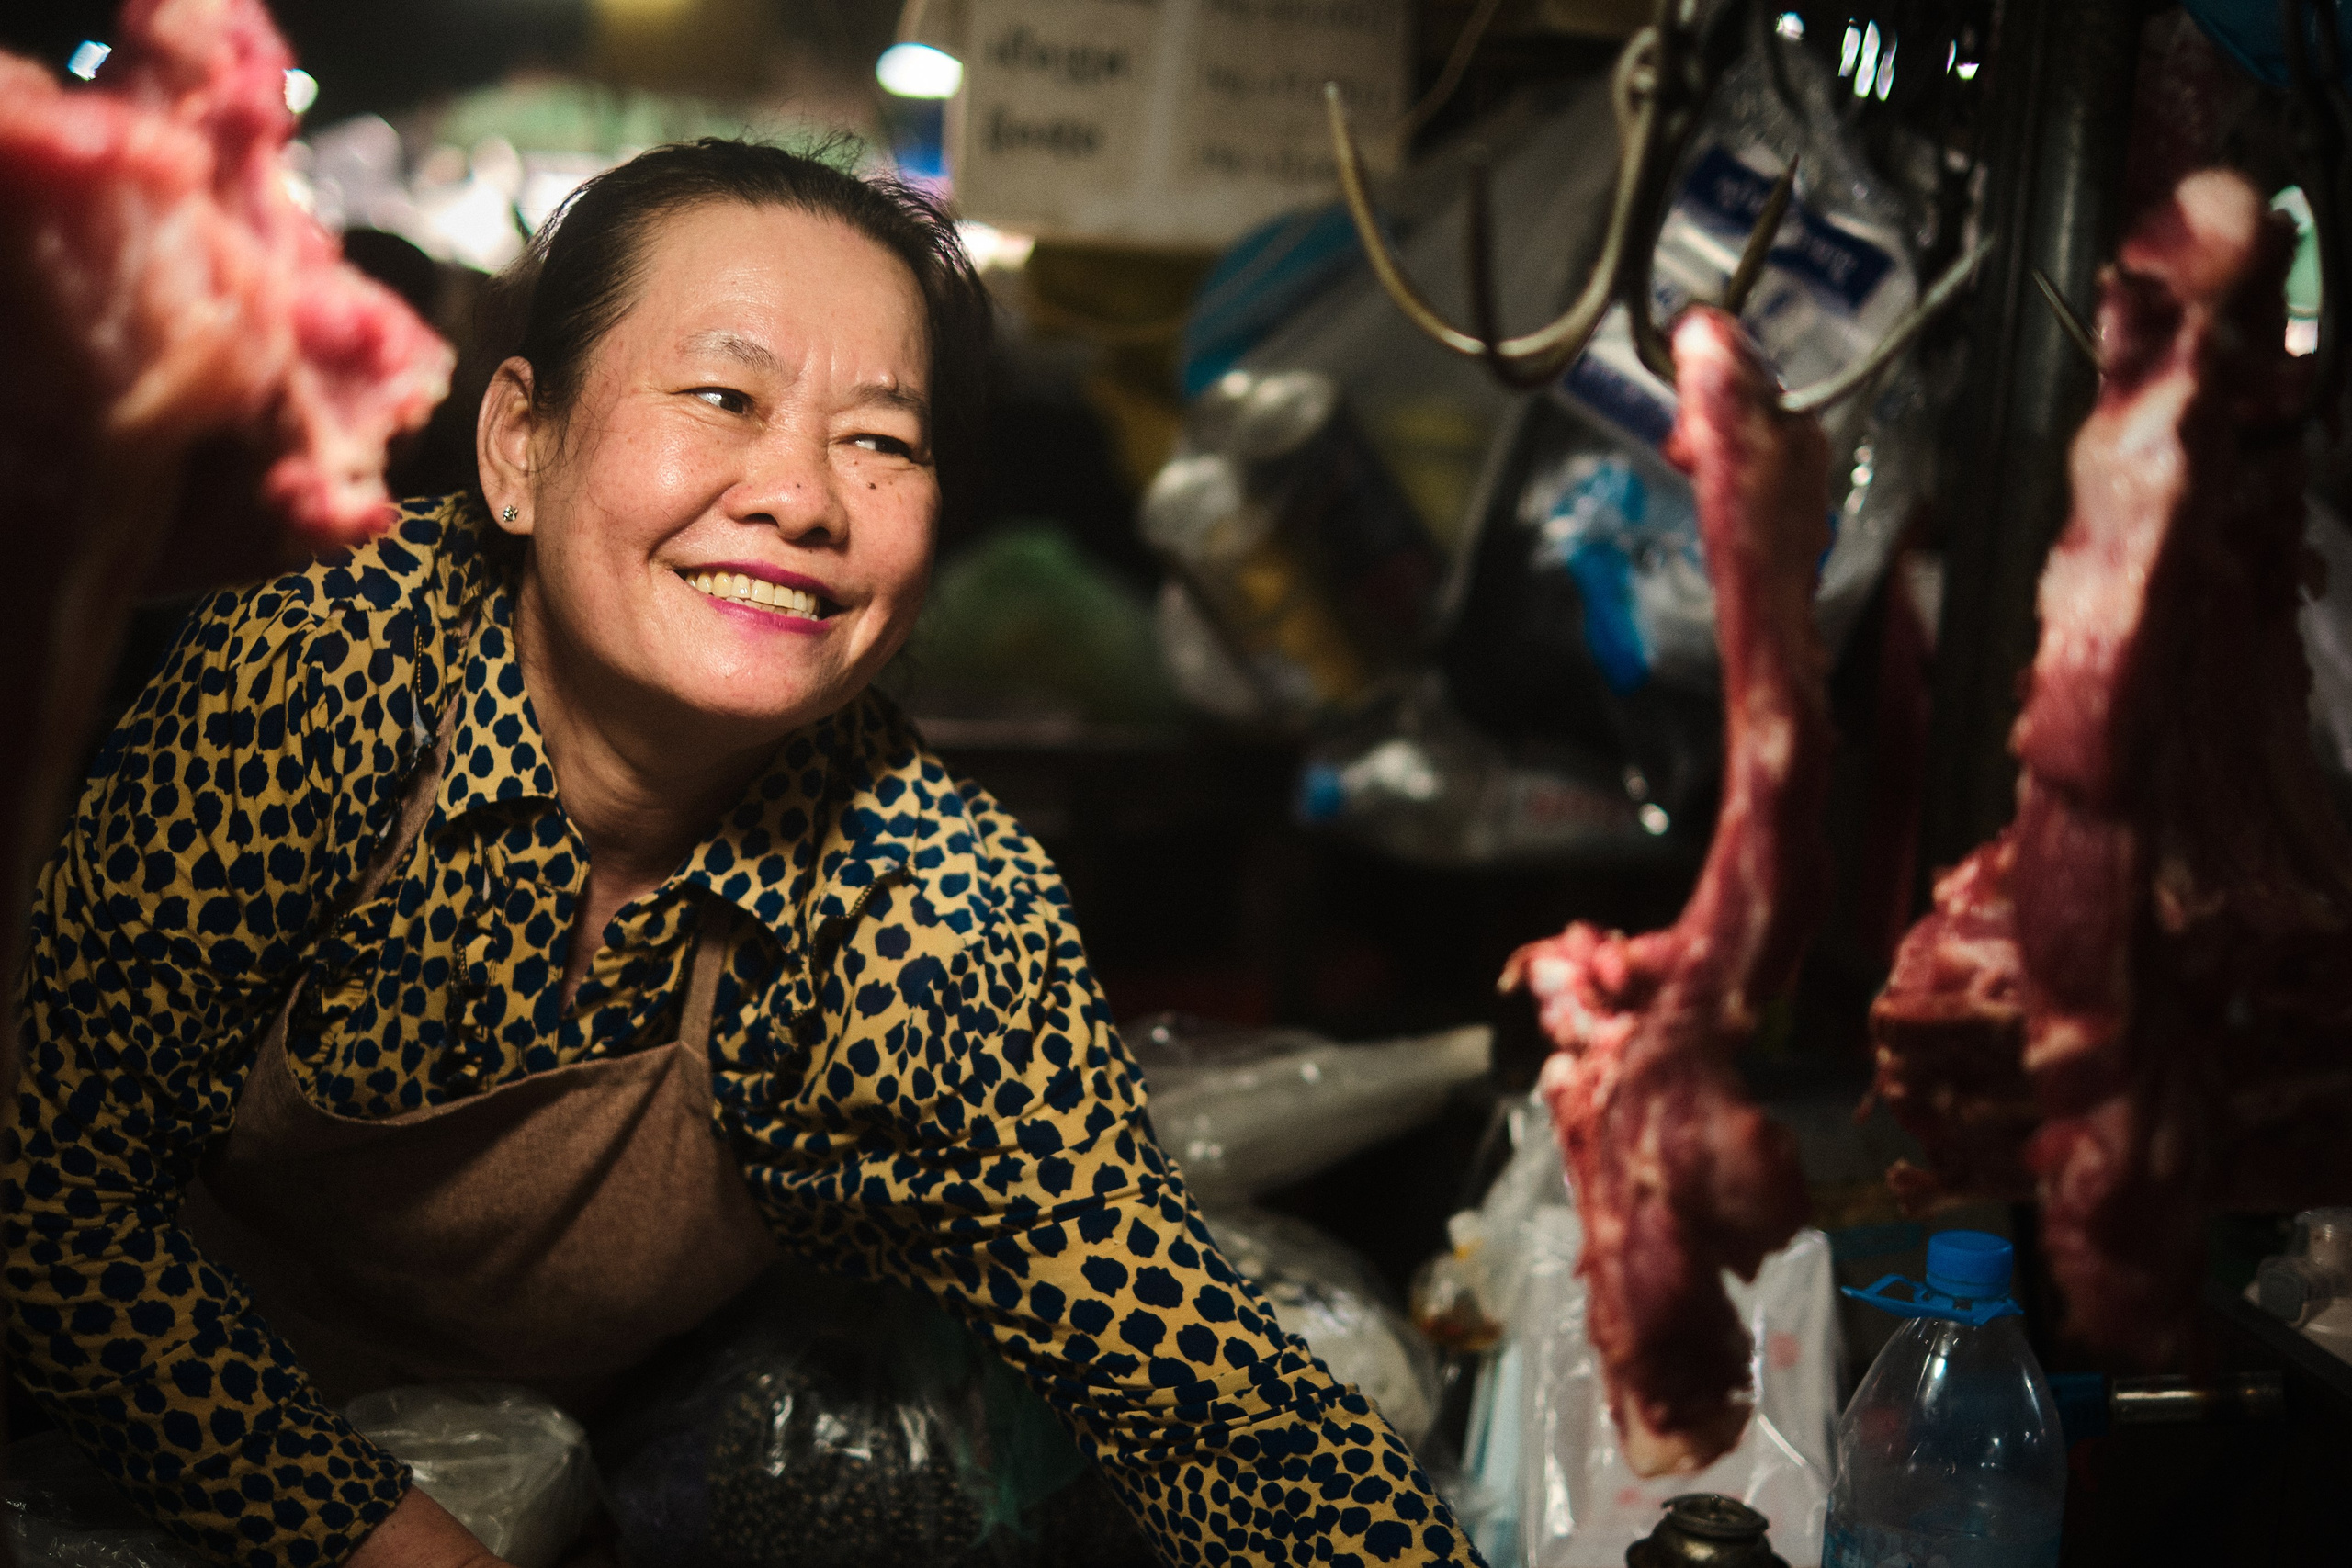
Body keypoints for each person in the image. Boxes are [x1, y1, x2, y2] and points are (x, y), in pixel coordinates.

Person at [4, 140, 1478, 1568]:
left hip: (581, 1457)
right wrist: (385, 1539)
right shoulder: (319, 671)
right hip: (134, 1426)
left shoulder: (935, 900)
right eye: (725, 396)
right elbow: (48, 1190)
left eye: (881, 440)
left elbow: (1202, 1394)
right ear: (521, 445)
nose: (803, 499)